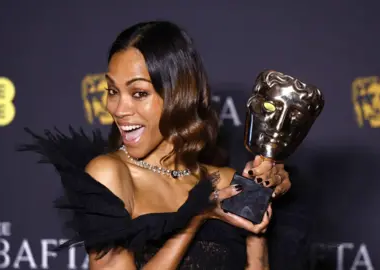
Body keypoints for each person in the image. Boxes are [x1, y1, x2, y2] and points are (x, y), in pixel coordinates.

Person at [19, 21, 292, 270]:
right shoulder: (109, 175)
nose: (119, 108)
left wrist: (257, 208)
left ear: (178, 95)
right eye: (113, 91)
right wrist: (194, 218)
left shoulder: (223, 181)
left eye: (139, 93)